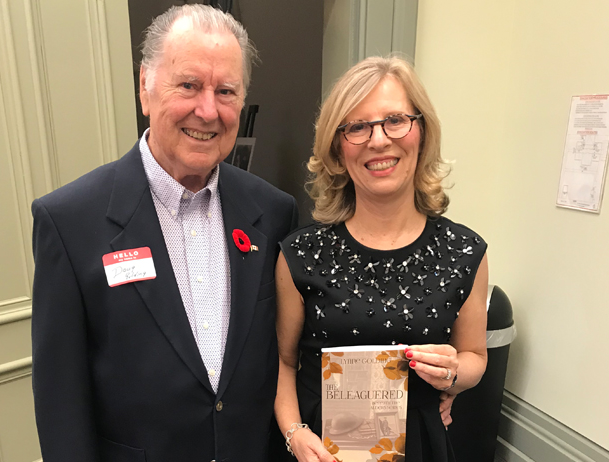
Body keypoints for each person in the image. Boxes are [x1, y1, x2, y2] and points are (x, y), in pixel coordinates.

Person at [31, 5, 298, 462]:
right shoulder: (69, 221)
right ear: (145, 87)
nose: (208, 110)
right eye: (189, 85)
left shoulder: (273, 212)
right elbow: (61, 403)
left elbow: (280, 358)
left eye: (226, 91)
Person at [273, 56, 488, 462]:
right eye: (357, 127)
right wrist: (294, 433)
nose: (378, 140)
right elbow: (283, 363)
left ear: (421, 132)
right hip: (321, 451)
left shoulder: (464, 251)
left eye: (395, 120)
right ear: (338, 150)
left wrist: (453, 374)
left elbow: (475, 356)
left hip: (420, 445)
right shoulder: (300, 254)